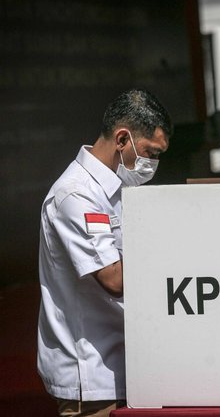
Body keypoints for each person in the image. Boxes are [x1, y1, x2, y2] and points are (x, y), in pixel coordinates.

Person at [37, 88, 172, 416]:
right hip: (92, 376)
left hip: (126, 366)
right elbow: (114, 278)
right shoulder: (76, 196)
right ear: (123, 138)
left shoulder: (117, 187)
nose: (153, 164)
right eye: (150, 153)